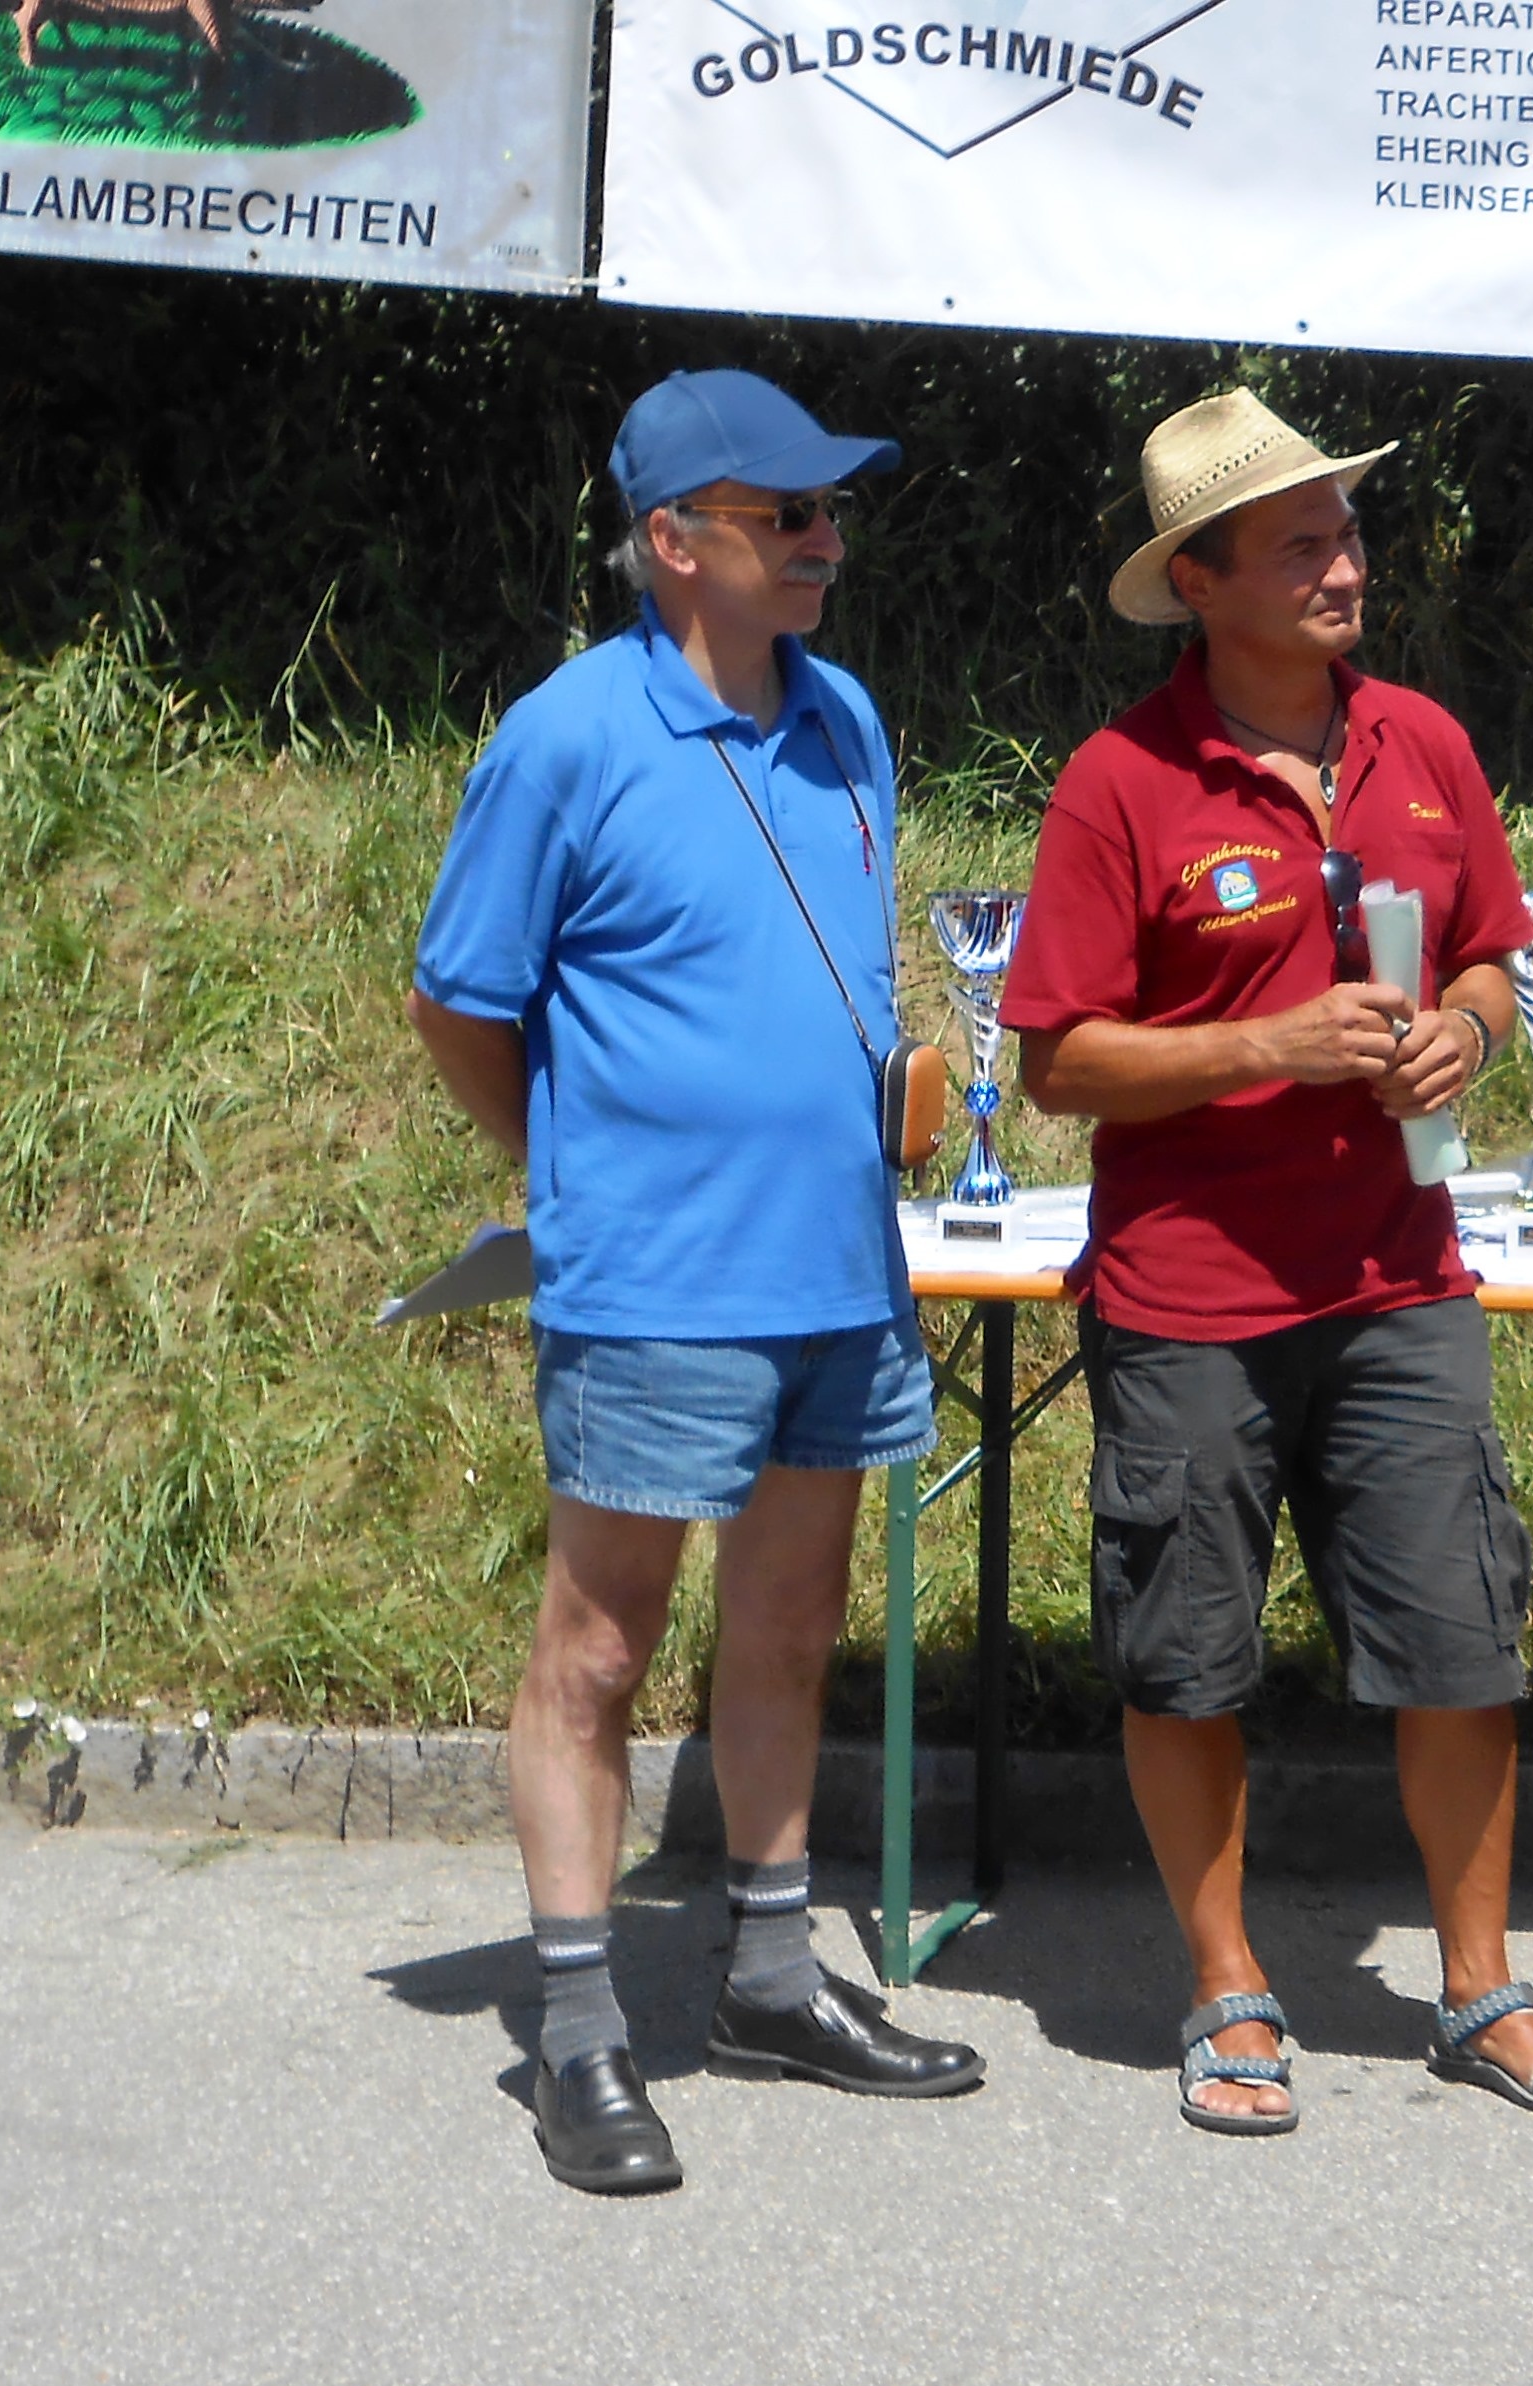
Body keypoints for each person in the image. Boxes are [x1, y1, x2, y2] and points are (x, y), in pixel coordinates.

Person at [1000, 388, 1533, 2135]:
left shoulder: (1424, 742)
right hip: (1189, 1299)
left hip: (1401, 1283)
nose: (1345, 568)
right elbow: (1057, 1062)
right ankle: (1227, 1986)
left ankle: (1481, 1990)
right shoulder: (1121, 783)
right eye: (1299, 547)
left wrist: (1466, 1038)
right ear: (1199, 584)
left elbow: (1489, 957)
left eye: (1345, 535)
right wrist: (1262, 1046)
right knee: (1185, 1657)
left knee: (1462, 1641)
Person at [409, 369, 987, 2199]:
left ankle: (768, 1980)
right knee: (597, 1648)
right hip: (655, 1284)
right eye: (784, 512)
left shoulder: (847, 719)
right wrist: (579, 1172)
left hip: (839, 1272)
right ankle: (580, 2031)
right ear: (673, 541)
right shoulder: (566, 738)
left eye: (830, 509)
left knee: (791, 1626)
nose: (825, 540)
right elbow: (459, 1001)